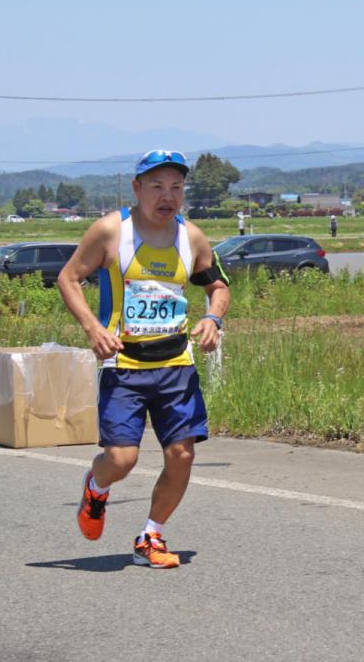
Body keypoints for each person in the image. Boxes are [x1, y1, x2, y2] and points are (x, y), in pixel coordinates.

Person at [58, 149, 230, 569]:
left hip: (176, 365)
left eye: (176, 186)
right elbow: (69, 278)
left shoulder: (192, 237)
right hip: (125, 365)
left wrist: (212, 318)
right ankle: (97, 486)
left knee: (182, 454)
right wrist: (92, 328)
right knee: (122, 459)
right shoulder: (110, 232)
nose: (167, 196)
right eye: (156, 186)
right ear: (136, 189)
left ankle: (150, 535)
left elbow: (218, 286)